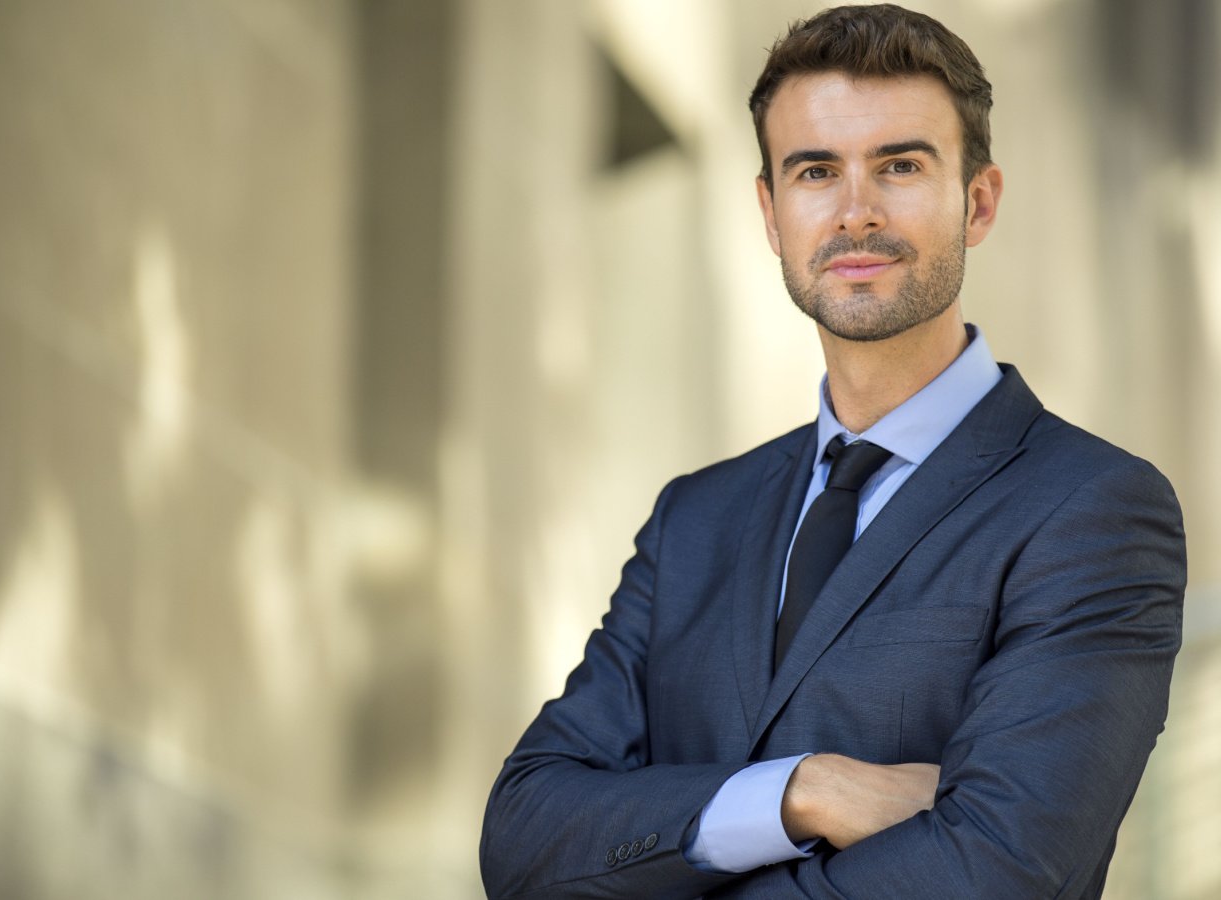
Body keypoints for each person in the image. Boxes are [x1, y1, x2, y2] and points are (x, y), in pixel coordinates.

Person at [480, 5, 1185, 897]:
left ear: (978, 202)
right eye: (816, 172)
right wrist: (797, 793)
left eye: (899, 165)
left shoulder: (1092, 510)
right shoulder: (694, 520)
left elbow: (1002, 872)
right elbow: (524, 835)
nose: (856, 213)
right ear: (772, 213)